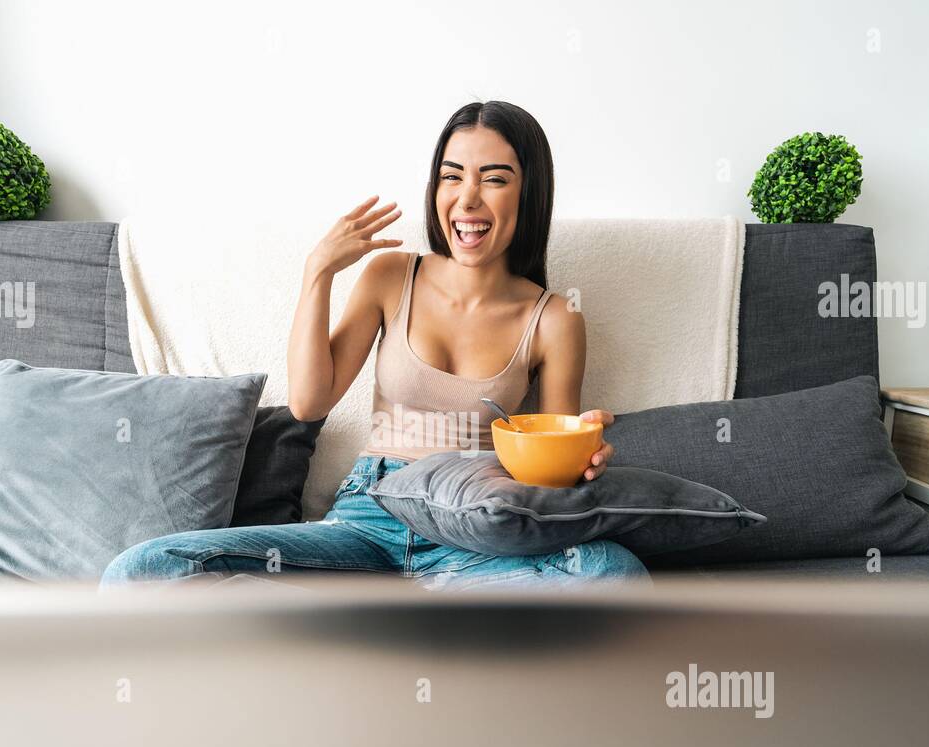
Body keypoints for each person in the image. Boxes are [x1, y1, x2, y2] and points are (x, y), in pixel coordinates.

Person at [102, 101, 648, 590]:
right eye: (451, 176)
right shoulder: (391, 276)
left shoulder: (554, 317)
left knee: (612, 573)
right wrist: (318, 271)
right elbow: (308, 404)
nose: (467, 199)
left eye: (495, 179)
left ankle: (401, 615)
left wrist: (580, 455)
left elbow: (544, 477)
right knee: (145, 568)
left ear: (529, 192)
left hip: (475, 530)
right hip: (368, 517)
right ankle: (413, 617)